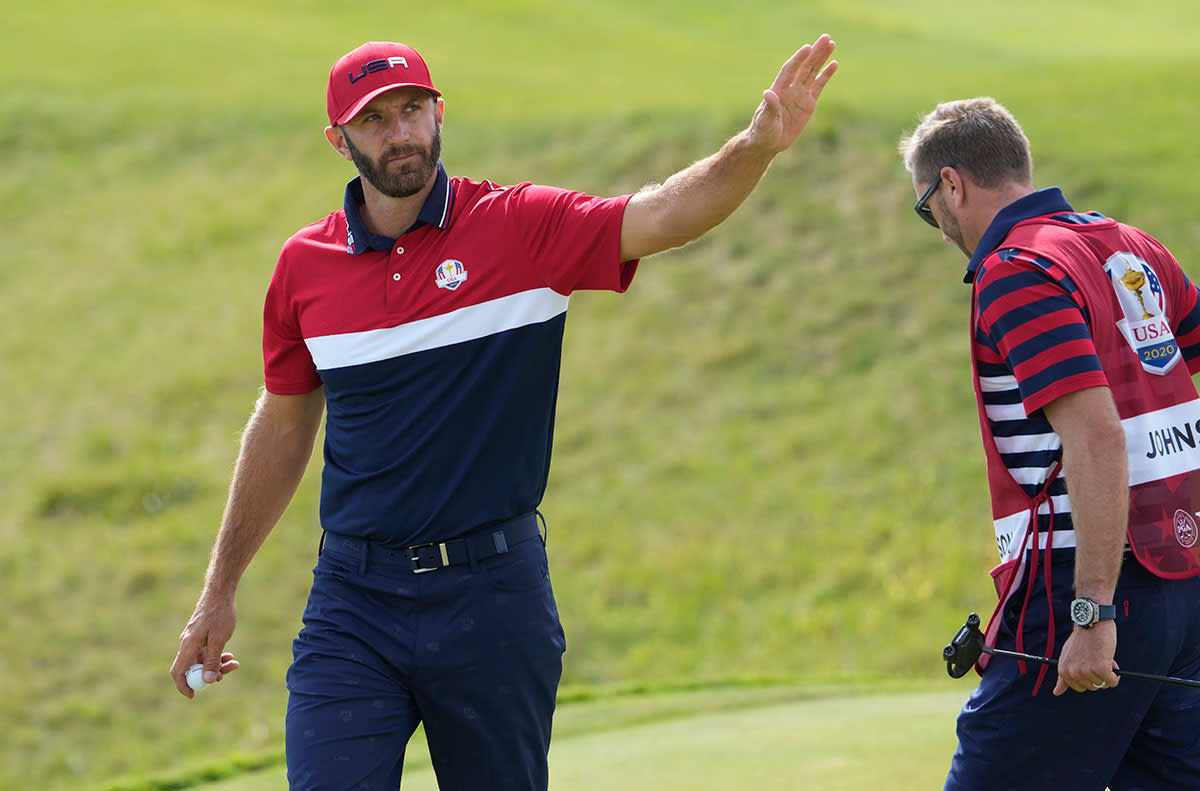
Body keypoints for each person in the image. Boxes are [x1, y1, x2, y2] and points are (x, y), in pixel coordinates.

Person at [169, 36, 837, 790]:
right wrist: (219, 588)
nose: (400, 133)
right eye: (375, 119)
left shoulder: (518, 226)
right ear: (339, 139)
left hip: (492, 596)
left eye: (413, 109)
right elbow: (285, 422)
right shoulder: (304, 267)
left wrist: (754, 148)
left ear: (439, 112)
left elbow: (661, 216)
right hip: (353, 601)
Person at [899, 97, 1200, 790]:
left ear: (952, 185)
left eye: (927, 209)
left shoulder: (1015, 268)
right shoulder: (1129, 245)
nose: (938, 229)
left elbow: (1094, 435)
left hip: (1086, 588)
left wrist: (1091, 609)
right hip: (1182, 586)